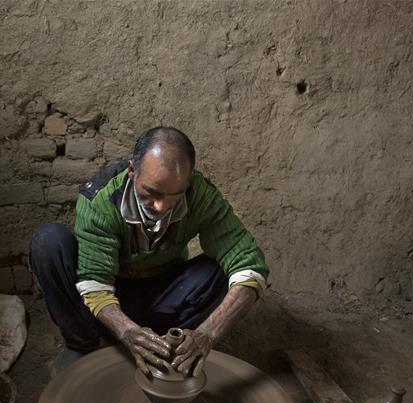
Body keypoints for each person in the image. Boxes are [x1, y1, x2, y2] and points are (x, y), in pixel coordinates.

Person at [27, 126, 268, 376]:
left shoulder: (201, 195)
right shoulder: (101, 199)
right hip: (110, 292)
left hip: (162, 293)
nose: (161, 206)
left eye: (175, 195)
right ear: (132, 171)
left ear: (187, 181)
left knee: (222, 270)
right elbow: (96, 283)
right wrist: (127, 331)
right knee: (48, 241)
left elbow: (250, 265)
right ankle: (85, 345)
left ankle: (171, 345)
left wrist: (208, 334)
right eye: (152, 192)